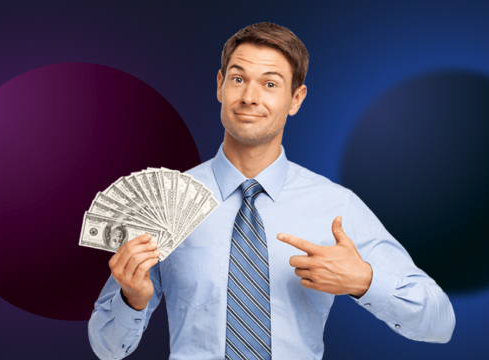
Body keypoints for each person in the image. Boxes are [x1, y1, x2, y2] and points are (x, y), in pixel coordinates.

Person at [89, 22, 455, 360]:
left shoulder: (335, 206)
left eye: (270, 84)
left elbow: (440, 324)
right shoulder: (165, 203)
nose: (250, 97)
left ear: (296, 99)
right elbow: (106, 349)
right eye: (237, 79)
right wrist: (132, 300)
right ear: (219, 85)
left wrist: (365, 281)